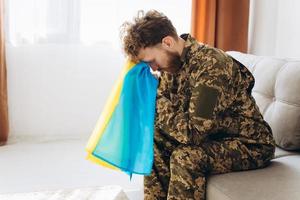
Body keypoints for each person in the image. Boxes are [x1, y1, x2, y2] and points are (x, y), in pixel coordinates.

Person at [120, 10, 275, 200]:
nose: (153, 68)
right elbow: (167, 121)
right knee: (153, 139)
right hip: (214, 137)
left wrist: (157, 98)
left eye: (151, 61)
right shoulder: (172, 65)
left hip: (249, 144)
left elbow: (193, 134)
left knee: (186, 157)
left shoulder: (212, 66)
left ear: (167, 42)